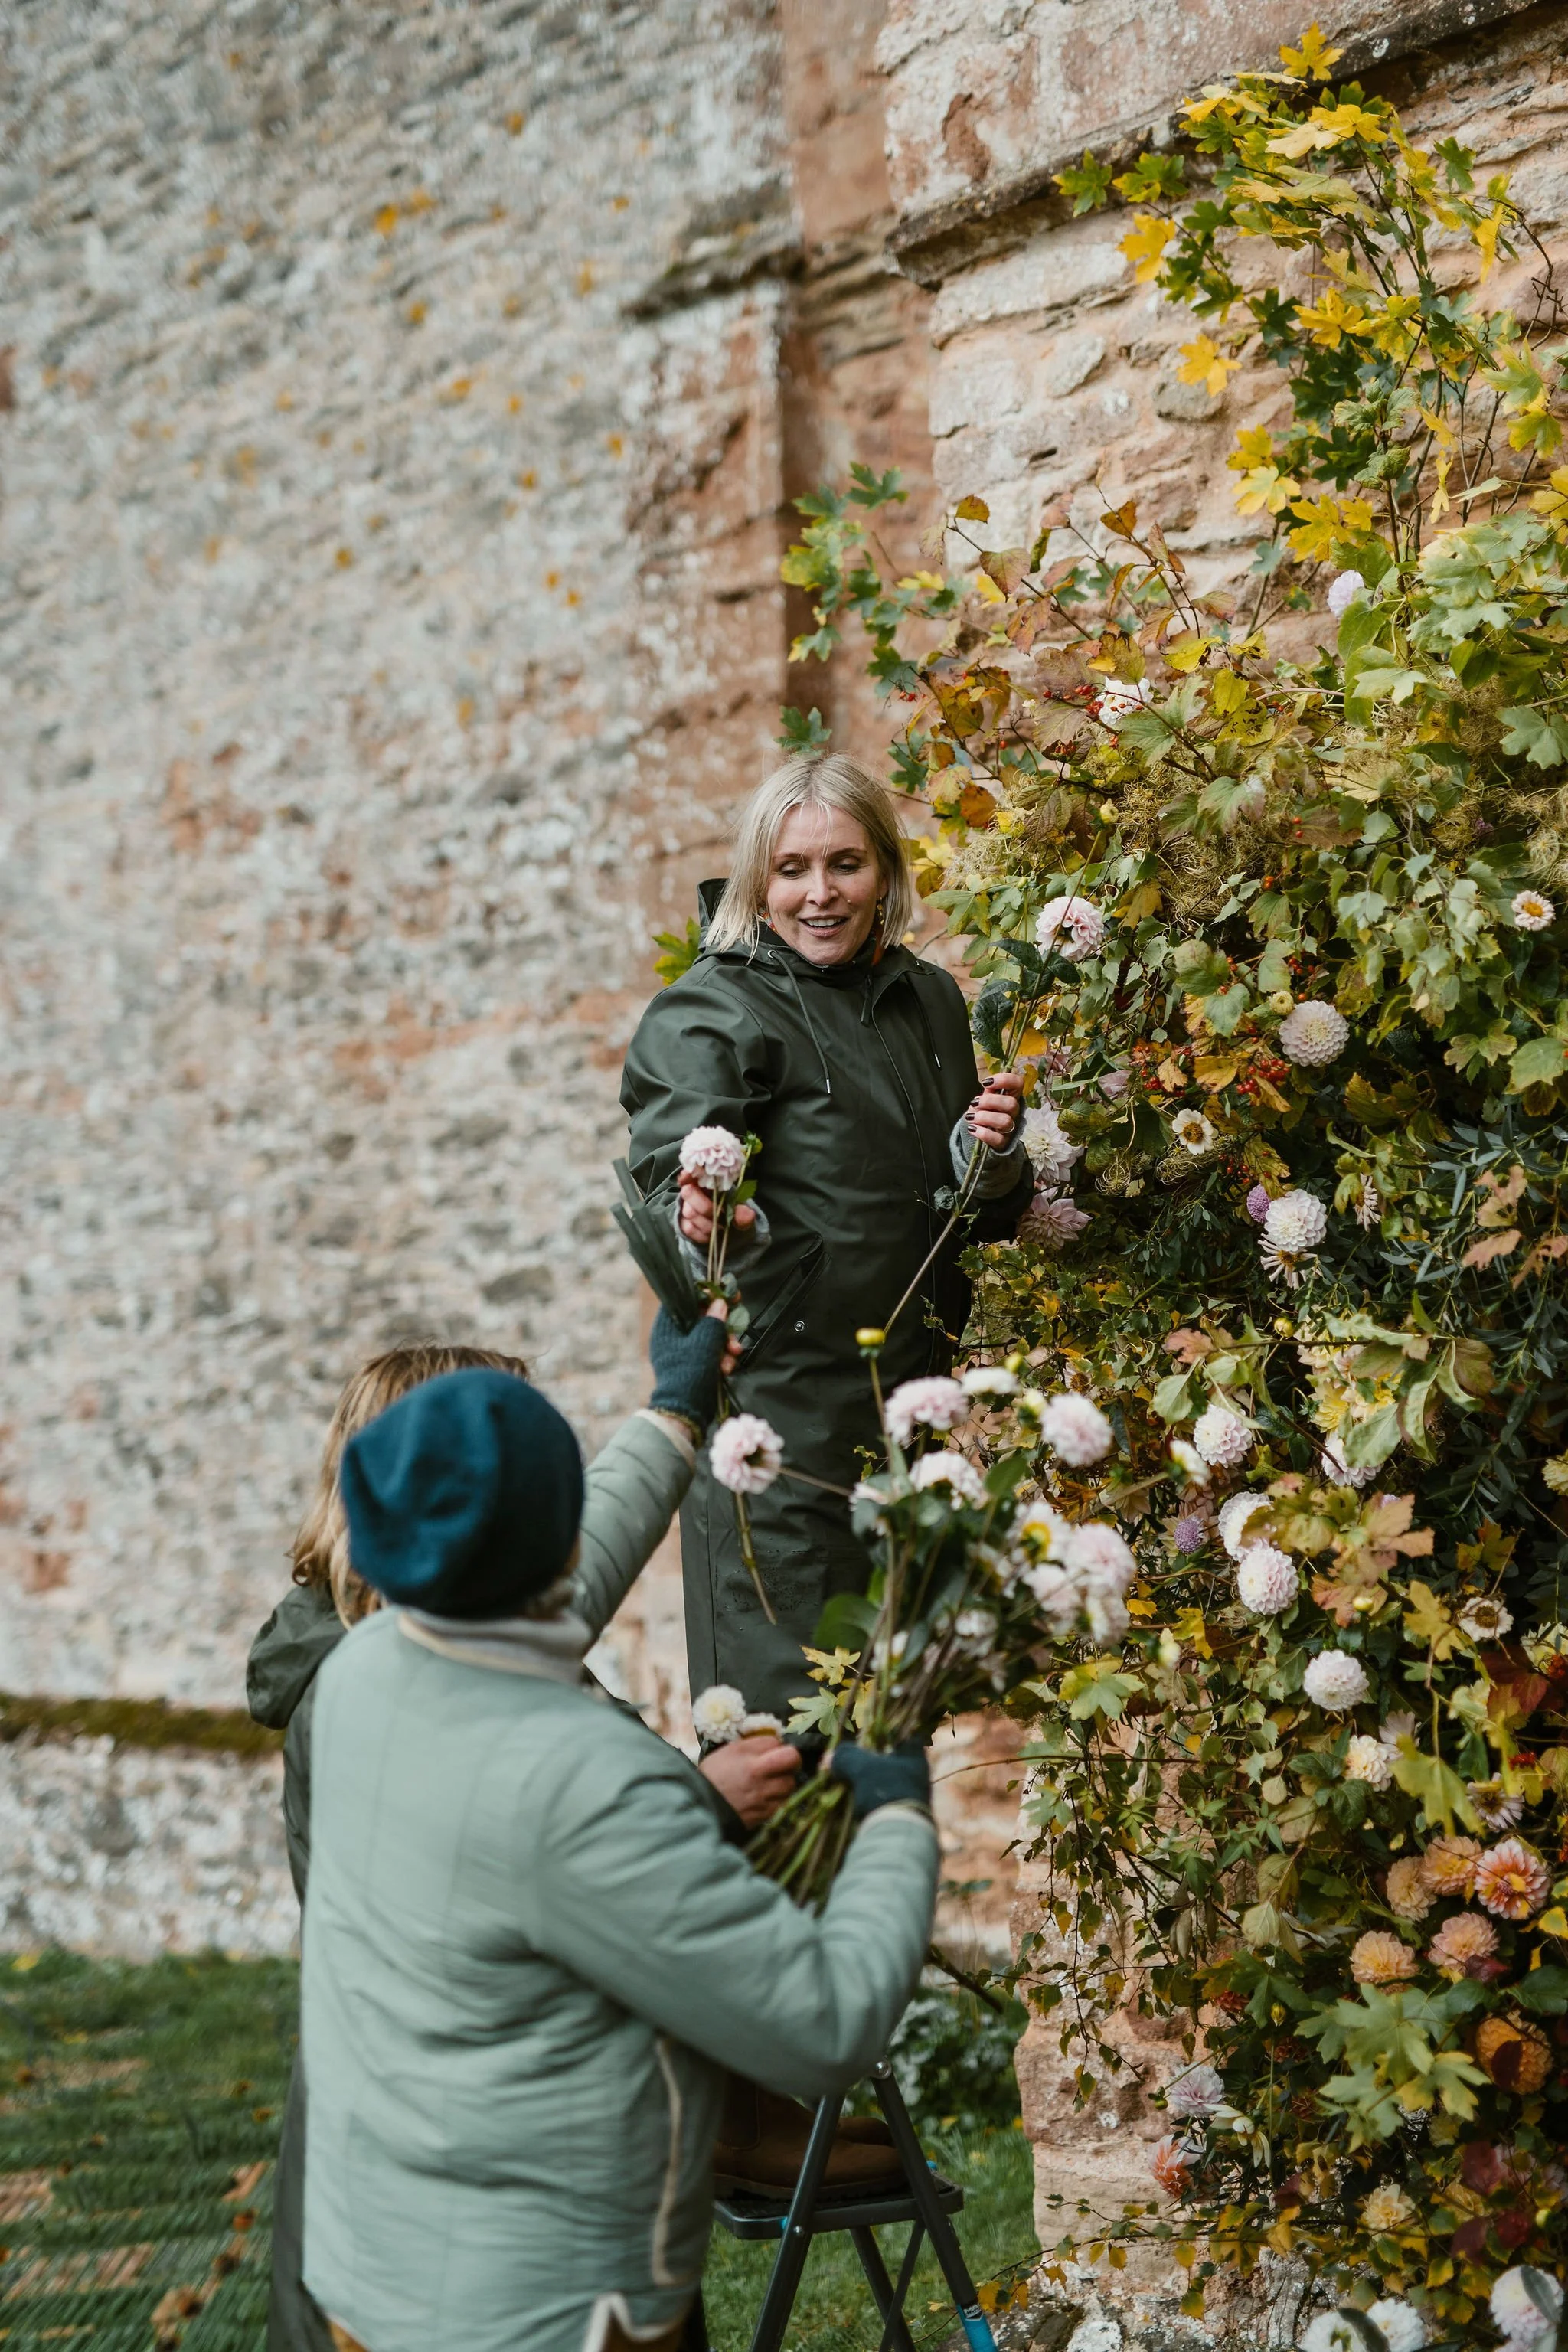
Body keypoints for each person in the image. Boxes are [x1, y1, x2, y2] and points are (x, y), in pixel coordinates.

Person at [300, 1362, 939, 2352]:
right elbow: (827, 2018)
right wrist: (897, 1817)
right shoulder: (581, 1778)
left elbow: (546, 1581)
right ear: (549, 1534)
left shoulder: (359, 1671)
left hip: (376, 2274)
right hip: (544, 2316)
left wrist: (671, 1418)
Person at [620, 751, 1032, 1723]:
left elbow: (976, 1209)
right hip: (777, 1442)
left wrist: (995, 1156)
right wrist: (704, 1216)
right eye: (793, 868)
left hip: (907, 1433)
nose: (820, 893)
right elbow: (671, 1168)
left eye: (844, 864)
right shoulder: (713, 1006)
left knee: (890, 1748)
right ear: (758, 877)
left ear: (884, 871)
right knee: (783, 1756)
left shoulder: (925, 998)